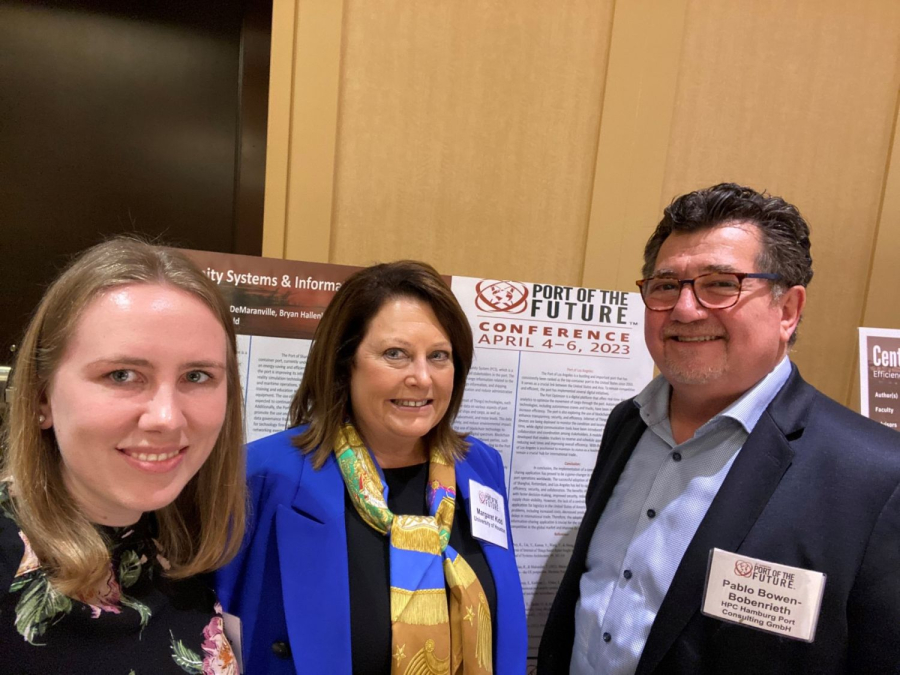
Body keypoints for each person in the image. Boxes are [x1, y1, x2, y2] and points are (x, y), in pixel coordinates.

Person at [538, 183, 900, 674]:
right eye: (666, 285)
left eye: (721, 284)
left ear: (788, 310)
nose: (685, 309)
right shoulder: (628, 423)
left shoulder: (877, 478)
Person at [216, 260, 527, 674]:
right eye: (395, 354)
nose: (422, 377)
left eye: (439, 356)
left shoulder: (480, 466)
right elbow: (220, 632)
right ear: (346, 363)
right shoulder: (261, 476)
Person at [0, 237, 246, 674]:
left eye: (196, 375)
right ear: (41, 398)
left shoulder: (188, 547)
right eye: (122, 375)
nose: (167, 418)